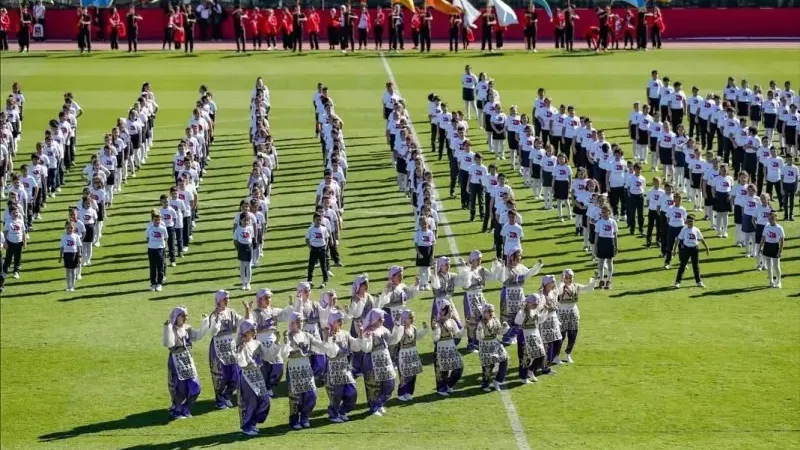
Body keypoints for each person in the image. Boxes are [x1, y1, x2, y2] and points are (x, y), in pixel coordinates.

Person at [281, 311, 337, 429]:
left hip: (306, 368)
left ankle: (305, 416)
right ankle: (294, 420)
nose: (300, 323)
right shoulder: (289, 336)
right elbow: (284, 354)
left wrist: (326, 336)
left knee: (312, 395)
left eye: (302, 321)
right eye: (298, 321)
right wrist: (285, 343)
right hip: (294, 369)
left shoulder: (307, 336)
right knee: (296, 398)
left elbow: (322, 347)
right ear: (292, 322)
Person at [163, 306, 209, 420]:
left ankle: (185, 407)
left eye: (186, 315)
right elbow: (168, 343)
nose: (185, 318)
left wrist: (205, 322)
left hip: (188, 360)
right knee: (180, 388)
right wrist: (167, 328)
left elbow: (197, 336)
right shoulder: (172, 329)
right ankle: (177, 411)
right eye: (183, 316)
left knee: (196, 387)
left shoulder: (187, 329)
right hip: (176, 361)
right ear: (176, 317)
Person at [358, 309, 402, 416]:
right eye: (380, 318)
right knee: (374, 386)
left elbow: (392, 340)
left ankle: (379, 403)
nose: (383, 320)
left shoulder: (384, 329)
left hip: (385, 360)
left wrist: (397, 326)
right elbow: (366, 349)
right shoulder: (368, 332)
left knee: (390, 384)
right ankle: (374, 408)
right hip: (372, 361)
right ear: (374, 319)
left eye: (382, 318)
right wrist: (365, 337)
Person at [235, 320, 272, 436]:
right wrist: (241, 348)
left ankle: (253, 422)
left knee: (265, 400)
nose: (254, 331)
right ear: (246, 332)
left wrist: (276, 344)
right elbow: (241, 363)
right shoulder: (240, 346)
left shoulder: (257, 343)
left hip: (258, 375)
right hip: (247, 377)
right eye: (252, 330)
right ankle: (247, 427)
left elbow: (268, 356)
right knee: (251, 403)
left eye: (254, 329)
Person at [394, 309, 427, 402]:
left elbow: (418, 337)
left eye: (413, 317)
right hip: (403, 353)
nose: (412, 319)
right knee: (404, 374)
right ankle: (401, 393)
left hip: (413, 353)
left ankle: (409, 392)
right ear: (405, 319)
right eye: (410, 317)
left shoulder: (414, 328)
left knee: (413, 374)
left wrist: (425, 329)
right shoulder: (401, 329)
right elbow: (395, 339)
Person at [432, 300, 463, 396]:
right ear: (444, 311)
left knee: (459, 367)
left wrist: (465, 328)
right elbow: (435, 338)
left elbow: (458, 334)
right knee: (443, 371)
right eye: (449, 311)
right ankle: (441, 389)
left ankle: (449, 385)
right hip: (441, 349)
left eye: (451, 310)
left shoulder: (452, 321)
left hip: (452, 348)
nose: (451, 312)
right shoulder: (437, 323)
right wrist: (437, 332)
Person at [516, 293, 548, 383]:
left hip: (535, 335)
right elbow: (518, 321)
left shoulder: (535, 311)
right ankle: (523, 377)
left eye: (536, 304)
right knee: (525, 358)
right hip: (524, 336)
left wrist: (545, 311)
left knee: (541, 354)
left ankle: (531, 370)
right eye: (534, 304)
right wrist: (522, 310)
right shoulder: (522, 311)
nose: (535, 305)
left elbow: (540, 320)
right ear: (528, 303)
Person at [476, 303, 509, 391]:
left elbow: (500, 332)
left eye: (492, 311)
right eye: (489, 311)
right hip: (485, 346)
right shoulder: (481, 323)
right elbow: (479, 337)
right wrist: (480, 331)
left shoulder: (495, 320)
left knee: (504, 359)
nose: (491, 313)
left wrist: (505, 327)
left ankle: (498, 380)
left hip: (495, 344)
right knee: (488, 365)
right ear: (484, 313)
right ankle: (485, 384)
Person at [672, 214, 709, 288]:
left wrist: (707, 247)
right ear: (686, 221)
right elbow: (678, 240)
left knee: (696, 266)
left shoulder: (696, 229)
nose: (690, 223)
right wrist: (674, 249)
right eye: (688, 221)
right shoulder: (684, 230)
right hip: (686, 249)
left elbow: (701, 239)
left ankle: (698, 282)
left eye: (691, 221)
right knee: (682, 266)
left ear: (694, 221)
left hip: (695, 249)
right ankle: (677, 282)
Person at [594, 206, 618, 289]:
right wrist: (595, 246)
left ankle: (609, 280)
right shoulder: (599, 222)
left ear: (609, 212)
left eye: (605, 212)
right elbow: (597, 235)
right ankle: (601, 280)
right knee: (601, 262)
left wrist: (616, 246)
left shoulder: (613, 222)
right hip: (602, 242)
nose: (603, 214)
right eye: (602, 212)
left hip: (610, 242)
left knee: (610, 261)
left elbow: (615, 235)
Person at [760, 211, 784, 288]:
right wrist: (761, 247)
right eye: (769, 218)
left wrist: (780, 251)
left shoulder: (779, 228)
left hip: (775, 246)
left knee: (776, 266)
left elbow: (782, 240)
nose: (770, 220)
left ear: (776, 218)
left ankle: (778, 281)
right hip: (767, 246)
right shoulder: (766, 226)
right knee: (769, 265)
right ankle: (771, 281)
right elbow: (763, 237)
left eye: (772, 218)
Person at [305, 212, 329, 287]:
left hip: (322, 248)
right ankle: (309, 280)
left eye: (320, 220)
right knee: (311, 265)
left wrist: (325, 247)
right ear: (314, 220)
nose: (318, 221)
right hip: (314, 248)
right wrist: (310, 247)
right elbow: (307, 239)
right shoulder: (310, 229)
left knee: (323, 266)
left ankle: (325, 281)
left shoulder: (323, 228)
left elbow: (326, 238)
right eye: (317, 220)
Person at [3, 205, 26, 279]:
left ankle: (16, 272)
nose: (16, 214)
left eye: (17, 212)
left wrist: (24, 241)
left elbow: (23, 232)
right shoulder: (8, 222)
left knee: (18, 258)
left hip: (19, 243)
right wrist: (5, 242)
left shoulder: (20, 221)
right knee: (8, 257)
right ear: (10, 214)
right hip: (10, 243)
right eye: (13, 213)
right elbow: (5, 233)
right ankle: (5, 271)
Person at [234, 213, 255, 290]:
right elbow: (235, 241)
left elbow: (252, 238)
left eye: (247, 220)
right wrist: (238, 249)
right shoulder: (238, 229)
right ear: (240, 220)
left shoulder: (250, 228)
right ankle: (243, 283)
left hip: (248, 248)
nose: (246, 222)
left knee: (248, 266)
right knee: (242, 266)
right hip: (241, 248)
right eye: (244, 220)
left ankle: (248, 283)